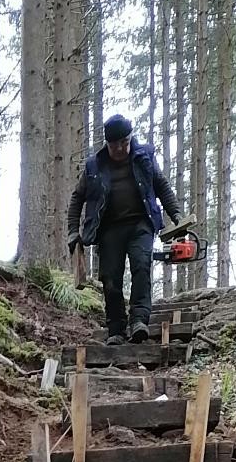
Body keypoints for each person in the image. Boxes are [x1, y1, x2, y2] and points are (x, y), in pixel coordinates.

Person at [67, 112, 179, 343]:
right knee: (110, 278)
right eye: (116, 145)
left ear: (130, 139)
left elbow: (161, 185)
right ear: (108, 144)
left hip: (141, 223)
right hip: (109, 228)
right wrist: (72, 231)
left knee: (141, 265)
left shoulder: (143, 156)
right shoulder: (94, 167)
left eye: (125, 143)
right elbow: (77, 198)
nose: (121, 149)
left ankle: (139, 320)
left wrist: (176, 214)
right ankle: (116, 329)